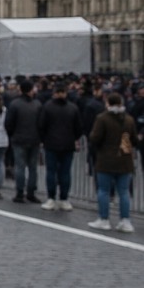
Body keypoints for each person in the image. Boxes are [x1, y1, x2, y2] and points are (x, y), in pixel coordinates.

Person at [87, 92, 137, 233]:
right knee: (124, 191)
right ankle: (125, 220)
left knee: (103, 190)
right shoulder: (129, 120)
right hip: (125, 159)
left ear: (108, 103)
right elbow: (134, 139)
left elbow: (95, 138)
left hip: (106, 159)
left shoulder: (102, 118)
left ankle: (104, 219)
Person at [35, 82, 82, 211]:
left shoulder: (47, 107)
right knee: (65, 173)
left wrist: (44, 139)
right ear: (66, 93)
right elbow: (78, 128)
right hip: (68, 144)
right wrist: (74, 138)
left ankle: (51, 198)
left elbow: (41, 126)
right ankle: (64, 199)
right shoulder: (73, 108)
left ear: (54, 93)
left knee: (51, 172)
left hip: (51, 143)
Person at [5, 80, 42, 203]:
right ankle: (31, 192)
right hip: (34, 139)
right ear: (31, 90)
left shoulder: (15, 104)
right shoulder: (37, 104)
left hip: (18, 138)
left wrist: (12, 134)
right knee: (32, 167)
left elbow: (9, 123)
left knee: (20, 167)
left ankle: (20, 192)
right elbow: (41, 123)